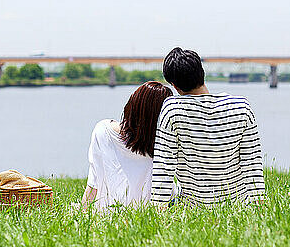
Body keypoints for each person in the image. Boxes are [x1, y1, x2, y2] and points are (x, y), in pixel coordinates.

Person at [151, 47, 266, 206]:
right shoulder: (241, 107)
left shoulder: (172, 111)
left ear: (174, 85)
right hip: (237, 206)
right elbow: (253, 167)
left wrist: (158, 212)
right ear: (202, 73)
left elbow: (163, 170)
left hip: (194, 208)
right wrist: (259, 208)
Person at [82, 81, 173, 209]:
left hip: (107, 214)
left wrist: (82, 212)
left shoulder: (103, 130)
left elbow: (93, 184)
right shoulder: (161, 145)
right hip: (146, 219)